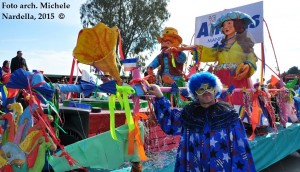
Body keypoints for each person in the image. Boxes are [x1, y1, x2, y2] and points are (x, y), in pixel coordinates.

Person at [148, 72, 256, 171]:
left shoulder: (229, 114)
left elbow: (241, 147)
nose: (206, 92)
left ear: (215, 89)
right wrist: (160, 97)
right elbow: (170, 123)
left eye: (209, 87)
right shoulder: (188, 113)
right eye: (200, 89)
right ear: (195, 94)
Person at [196, 11, 258, 105]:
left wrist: (248, 66)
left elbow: (251, 57)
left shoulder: (243, 43)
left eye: (229, 23)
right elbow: (209, 52)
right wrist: (192, 48)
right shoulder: (221, 46)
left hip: (237, 79)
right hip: (220, 78)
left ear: (237, 25)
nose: (226, 27)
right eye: (224, 25)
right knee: (220, 105)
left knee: (237, 105)